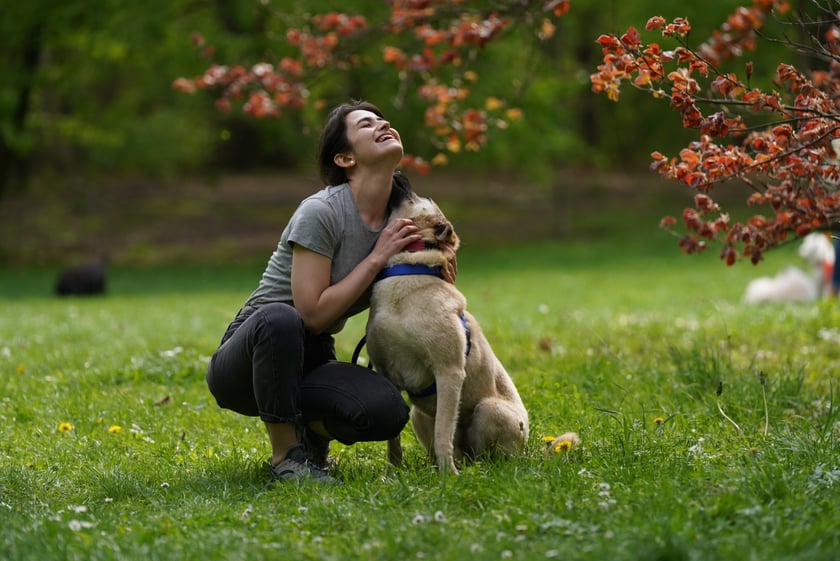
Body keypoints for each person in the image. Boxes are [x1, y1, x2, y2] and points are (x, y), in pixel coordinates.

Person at [206, 100, 454, 485]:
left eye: (384, 119)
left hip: (312, 356)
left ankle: (312, 433)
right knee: (282, 317)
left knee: (386, 411)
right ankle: (286, 459)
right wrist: (377, 258)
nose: (383, 124)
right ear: (344, 158)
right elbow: (312, 315)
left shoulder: (402, 214)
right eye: (367, 124)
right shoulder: (320, 212)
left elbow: (427, 276)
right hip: (252, 355)